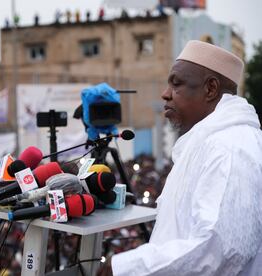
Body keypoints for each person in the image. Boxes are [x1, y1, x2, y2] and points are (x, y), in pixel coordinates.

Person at [100, 40, 262, 275]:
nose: (165, 94)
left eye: (177, 84)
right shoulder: (210, 142)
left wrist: (123, 269)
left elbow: (217, 251)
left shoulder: (229, 148)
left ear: (210, 89)